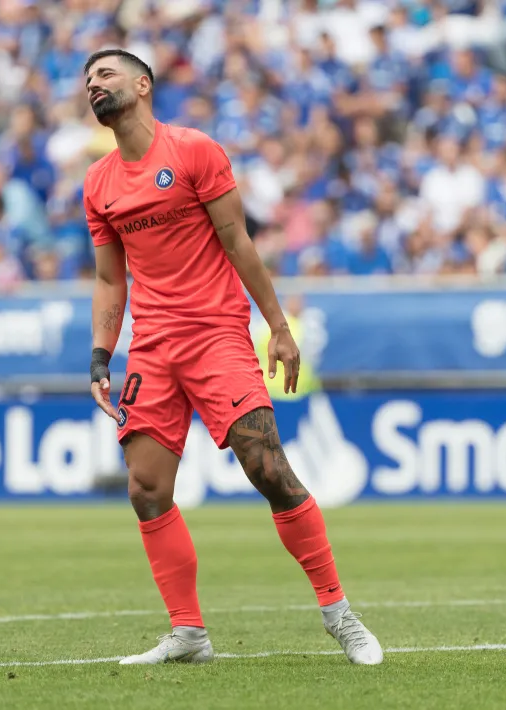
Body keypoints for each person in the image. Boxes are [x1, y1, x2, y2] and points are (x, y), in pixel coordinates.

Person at [82, 49, 382, 666]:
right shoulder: (98, 183)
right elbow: (111, 280)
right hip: (153, 347)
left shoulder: (195, 151)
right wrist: (100, 357)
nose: (94, 85)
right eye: (87, 80)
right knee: (145, 488)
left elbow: (237, 241)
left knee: (267, 467)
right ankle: (188, 634)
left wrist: (278, 326)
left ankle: (339, 615)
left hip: (217, 334)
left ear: (142, 85)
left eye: (105, 74)